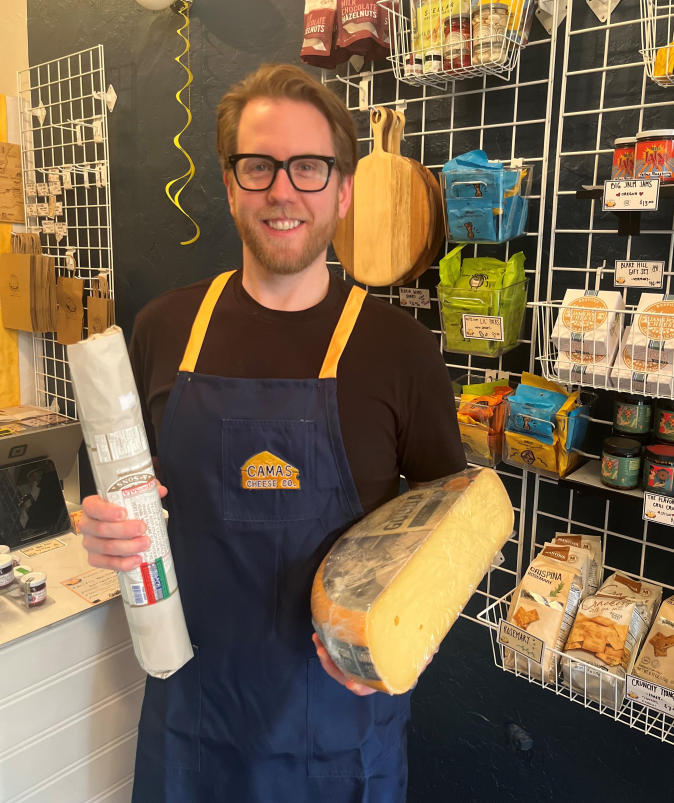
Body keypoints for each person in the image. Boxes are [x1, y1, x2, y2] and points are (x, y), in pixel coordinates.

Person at [80, 63, 466, 803]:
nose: (282, 190)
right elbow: (137, 495)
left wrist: (411, 630)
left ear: (342, 191)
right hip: (195, 722)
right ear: (229, 185)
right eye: (258, 167)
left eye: (309, 168)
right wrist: (105, 529)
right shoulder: (164, 329)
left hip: (341, 732)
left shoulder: (398, 350)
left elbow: (449, 529)